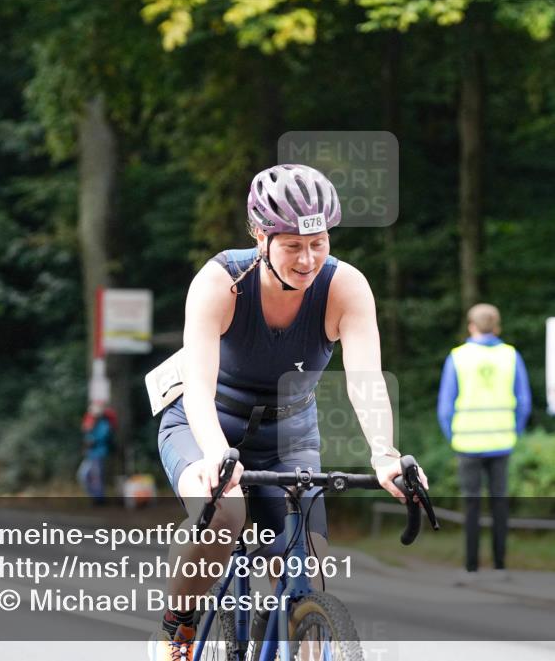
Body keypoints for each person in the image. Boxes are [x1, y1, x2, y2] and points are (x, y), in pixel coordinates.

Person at [153, 164, 427, 661]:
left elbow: (366, 379)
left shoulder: (346, 287)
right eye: (292, 246)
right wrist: (219, 456)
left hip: (289, 431)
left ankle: (290, 630)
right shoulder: (220, 282)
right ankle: (179, 626)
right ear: (260, 236)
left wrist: (385, 455)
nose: (308, 260)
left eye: (319, 243)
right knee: (225, 512)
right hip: (207, 421)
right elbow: (197, 387)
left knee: (311, 563)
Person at [437, 303, 531, 580]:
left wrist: (453, 437)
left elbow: (445, 407)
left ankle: (471, 568)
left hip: (467, 443)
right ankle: (501, 566)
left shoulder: (457, 357)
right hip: (502, 441)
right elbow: (524, 402)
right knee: (500, 505)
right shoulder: (511, 356)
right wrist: (515, 433)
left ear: (471, 326)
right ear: (497, 327)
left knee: (471, 506)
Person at [77, 400, 116, 505]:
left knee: (97, 478)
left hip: (99, 454)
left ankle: (99, 500)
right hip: (91, 454)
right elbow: (87, 437)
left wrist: (91, 440)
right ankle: (95, 497)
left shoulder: (104, 424)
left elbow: (101, 438)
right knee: (83, 475)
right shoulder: (91, 422)